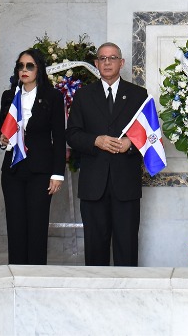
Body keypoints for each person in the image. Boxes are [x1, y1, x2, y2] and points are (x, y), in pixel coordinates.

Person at [65, 42, 148, 265]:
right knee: (94, 248)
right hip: (94, 185)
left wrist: (130, 143)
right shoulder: (83, 96)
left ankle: (128, 297)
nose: (107, 62)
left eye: (112, 58)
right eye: (103, 58)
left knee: (127, 246)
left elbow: (150, 134)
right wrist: (96, 141)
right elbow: (72, 134)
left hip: (126, 184)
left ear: (121, 63)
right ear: (96, 64)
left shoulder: (139, 95)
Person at [0, 47, 67, 265]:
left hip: (40, 171)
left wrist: (58, 174)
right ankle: (16, 273)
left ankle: (35, 273)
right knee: (15, 224)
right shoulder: (9, 96)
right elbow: (1, 132)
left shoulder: (53, 97)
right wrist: (2, 141)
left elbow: (59, 138)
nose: (24, 70)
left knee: (37, 224)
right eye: (21, 66)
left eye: (29, 66)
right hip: (13, 170)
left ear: (39, 69)